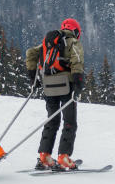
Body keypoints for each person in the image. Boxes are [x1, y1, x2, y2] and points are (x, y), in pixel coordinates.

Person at [25, 18, 85, 171]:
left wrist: (33, 76)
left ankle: (44, 156)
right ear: (75, 31)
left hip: (48, 86)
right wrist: (78, 82)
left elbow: (31, 53)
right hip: (66, 85)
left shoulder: (48, 42)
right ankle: (64, 156)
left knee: (52, 120)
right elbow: (77, 60)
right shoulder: (71, 42)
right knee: (70, 121)